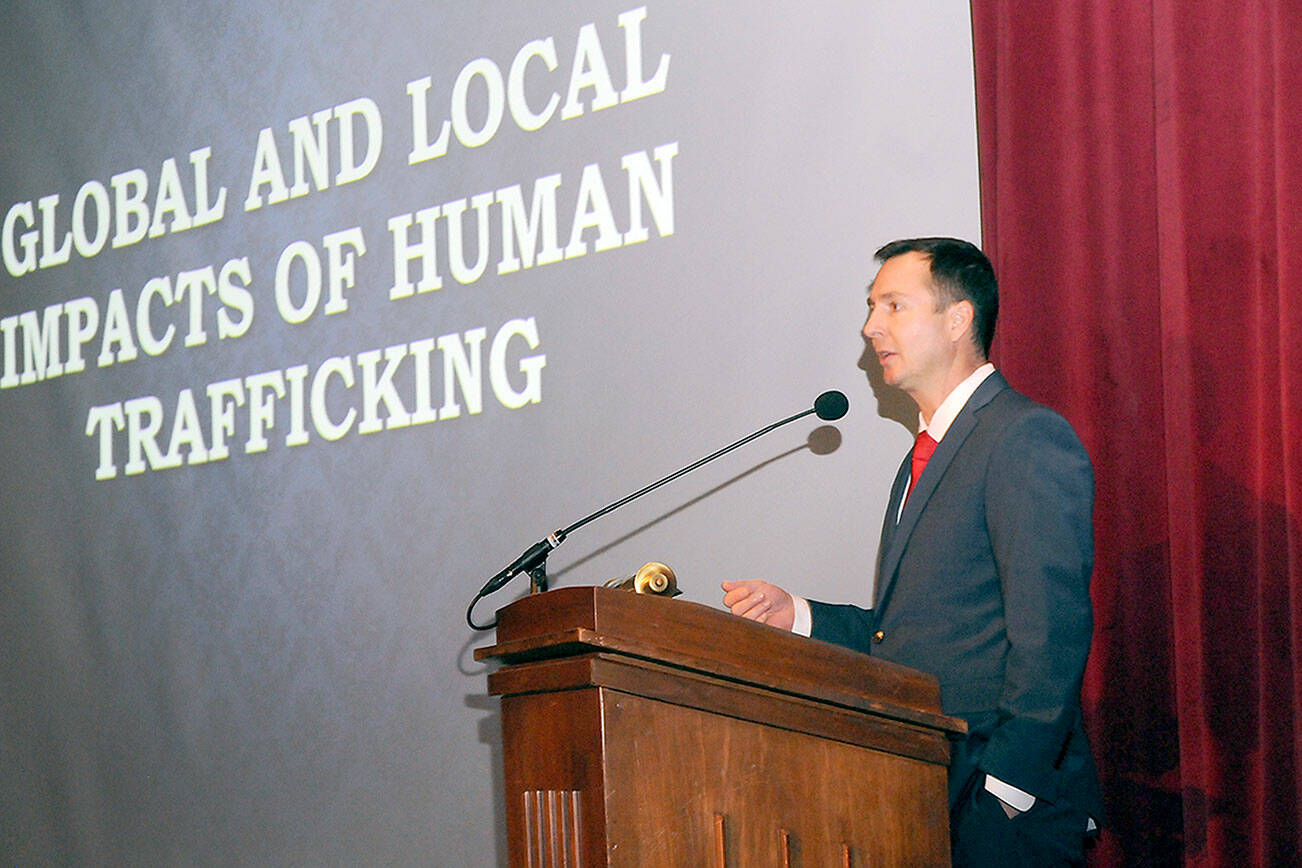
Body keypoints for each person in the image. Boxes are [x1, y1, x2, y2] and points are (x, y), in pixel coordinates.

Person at [722, 238, 1102, 866]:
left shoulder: (1022, 436)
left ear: (959, 320)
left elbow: (1052, 634)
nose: (871, 327)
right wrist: (800, 614)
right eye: (872, 307)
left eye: (894, 306)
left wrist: (1007, 788)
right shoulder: (921, 458)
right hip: (924, 787)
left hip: (999, 803)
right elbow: (907, 636)